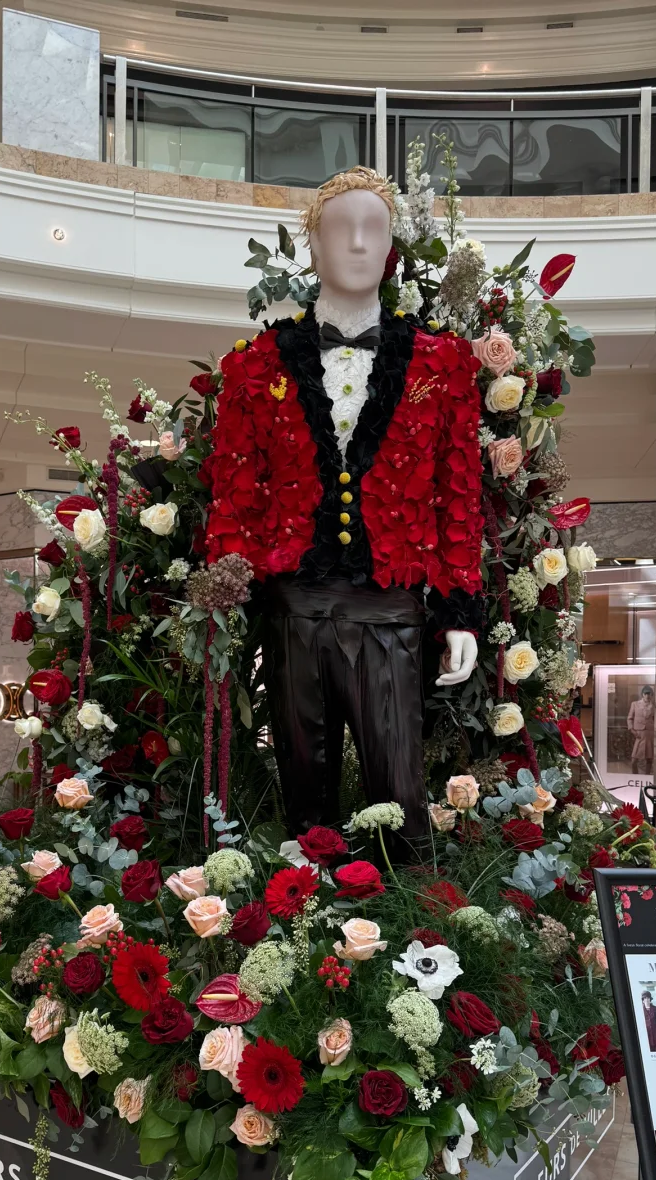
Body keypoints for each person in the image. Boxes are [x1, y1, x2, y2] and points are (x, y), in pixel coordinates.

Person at [203, 167, 484, 841]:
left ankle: (406, 925)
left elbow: (458, 497)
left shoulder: (442, 364)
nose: (358, 244)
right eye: (340, 228)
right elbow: (233, 496)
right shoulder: (253, 367)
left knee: (399, 790)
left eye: (374, 230)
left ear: (391, 249)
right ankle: (312, 927)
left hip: (392, 608)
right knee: (303, 790)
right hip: (293, 607)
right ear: (314, 248)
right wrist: (224, 597)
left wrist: (461, 615)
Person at [627, 685, 655, 774]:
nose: (647, 696)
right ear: (642, 695)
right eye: (645, 694)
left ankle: (647, 776)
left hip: (650, 734)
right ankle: (635, 776)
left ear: (652, 695)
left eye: (649, 694)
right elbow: (629, 718)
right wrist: (632, 729)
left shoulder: (654, 706)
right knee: (634, 760)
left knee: (649, 758)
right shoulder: (635, 704)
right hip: (638, 734)